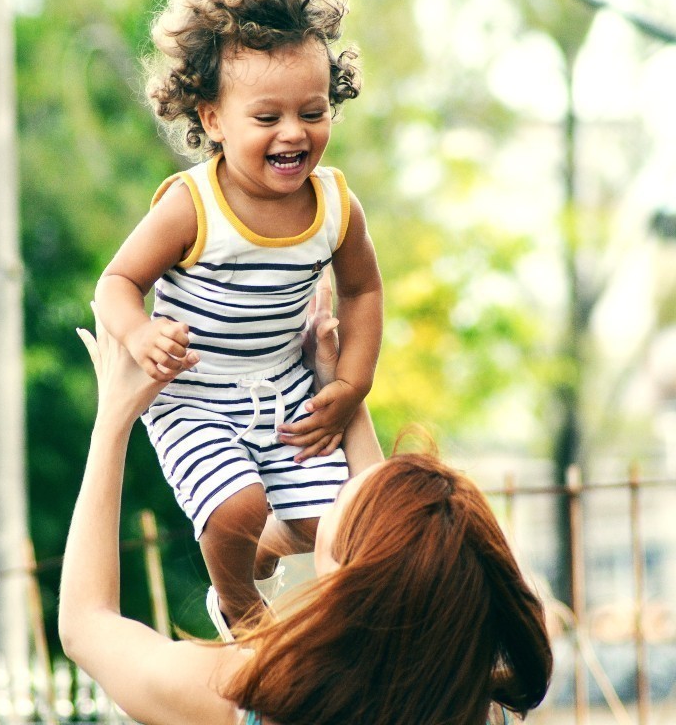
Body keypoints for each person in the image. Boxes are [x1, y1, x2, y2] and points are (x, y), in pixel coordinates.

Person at [60, 300, 553, 725]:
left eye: (344, 498)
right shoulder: (474, 705)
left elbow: (86, 625)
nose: (341, 485)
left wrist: (113, 419)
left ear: (345, 577)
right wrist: (338, 390)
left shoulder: (245, 697)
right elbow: (394, 553)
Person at [93, 0, 383, 637]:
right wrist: (140, 332)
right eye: (267, 117)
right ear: (212, 119)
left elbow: (365, 293)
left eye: (313, 112)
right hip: (195, 393)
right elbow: (116, 282)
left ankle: (261, 549)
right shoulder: (192, 207)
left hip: (284, 386)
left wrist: (350, 385)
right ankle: (241, 610)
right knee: (235, 508)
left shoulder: (336, 206)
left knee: (331, 525)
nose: (294, 133)